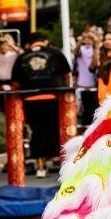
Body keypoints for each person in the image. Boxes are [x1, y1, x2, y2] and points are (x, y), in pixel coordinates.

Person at [11, 32, 71, 178]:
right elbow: (67, 75)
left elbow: (15, 83)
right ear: (44, 41)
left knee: (36, 132)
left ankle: (41, 165)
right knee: (54, 129)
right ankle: (60, 163)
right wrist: (66, 92)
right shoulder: (55, 53)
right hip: (53, 97)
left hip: (30, 100)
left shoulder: (21, 57)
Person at [72, 30, 99, 127]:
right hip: (83, 82)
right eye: (86, 38)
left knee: (94, 106)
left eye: (90, 38)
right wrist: (81, 39)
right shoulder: (81, 49)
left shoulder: (95, 49)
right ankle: (85, 125)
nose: (88, 40)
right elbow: (75, 51)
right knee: (86, 105)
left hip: (94, 81)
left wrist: (96, 41)